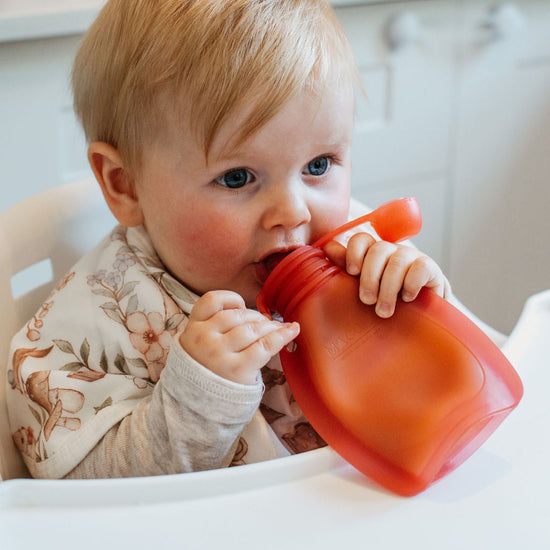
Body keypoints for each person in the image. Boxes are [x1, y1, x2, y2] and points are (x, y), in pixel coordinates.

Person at [7, 0, 448, 479]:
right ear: (125, 185)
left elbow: (438, 403)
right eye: (238, 177)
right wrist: (198, 399)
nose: (295, 211)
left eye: (317, 166)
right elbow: (82, 503)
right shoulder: (84, 331)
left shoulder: (356, 262)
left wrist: (413, 308)